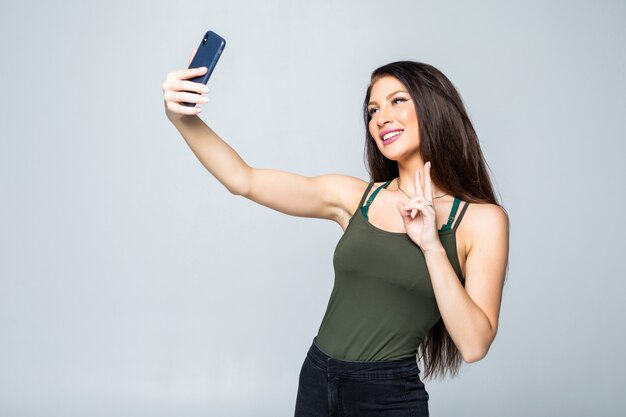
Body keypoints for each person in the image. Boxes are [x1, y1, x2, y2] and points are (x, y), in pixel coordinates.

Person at [161, 52, 509, 416]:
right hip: (317, 378)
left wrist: (431, 246)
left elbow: (473, 345)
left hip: (386, 396)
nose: (381, 118)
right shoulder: (356, 198)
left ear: (434, 105)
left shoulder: (480, 221)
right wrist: (181, 119)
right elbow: (243, 179)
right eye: (372, 111)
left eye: (397, 101)